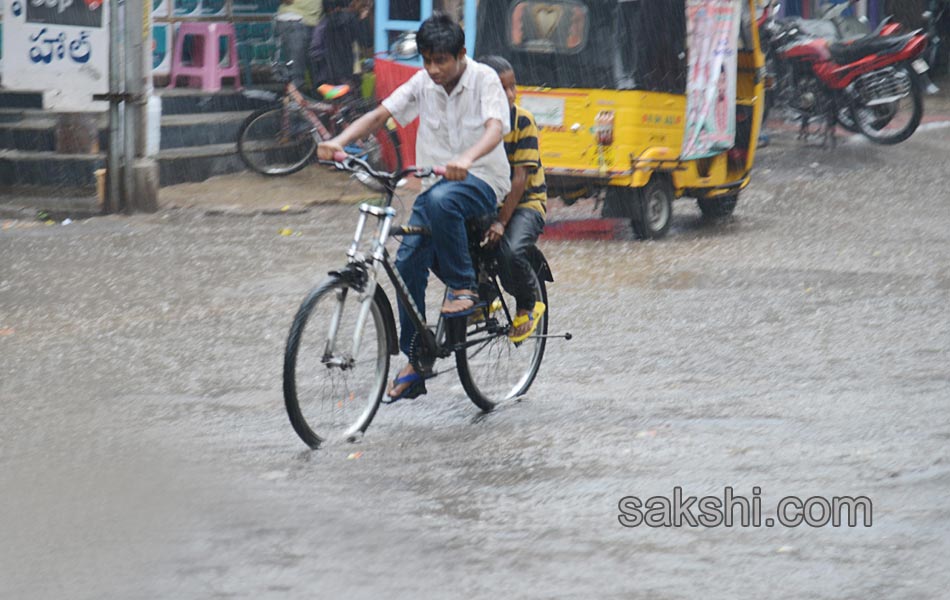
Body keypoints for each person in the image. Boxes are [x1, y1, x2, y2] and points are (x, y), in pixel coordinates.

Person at [316, 13, 511, 401]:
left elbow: (495, 128)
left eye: (442, 60)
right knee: (405, 262)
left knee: (440, 199)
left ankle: (462, 287)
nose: (433, 69)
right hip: (438, 186)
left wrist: (468, 159)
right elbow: (380, 115)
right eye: (427, 60)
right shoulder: (423, 82)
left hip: (482, 180)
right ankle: (417, 360)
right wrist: (339, 141)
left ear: (461, 55)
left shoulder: (484, 79)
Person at [479, 56, 547, 343]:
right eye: (502, 88)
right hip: (489, 199)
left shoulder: (522, 120)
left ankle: (528, 303)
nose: (510, 94)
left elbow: (520, 180)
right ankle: (483, 294)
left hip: (526, 203)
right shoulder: (475, 121)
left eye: (513, 86)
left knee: (511, 251)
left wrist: (500, 223)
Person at [309, 0, 373, 89]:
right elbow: (366, 42)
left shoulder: (325, 23)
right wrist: (363, 19)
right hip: (345, 74)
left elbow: (315, 51)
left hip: (326, 75)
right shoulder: (352, 20)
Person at [276, 0, 322, 90]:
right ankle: (295, 100)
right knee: (297, 70)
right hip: (295, 19)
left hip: (314, 21)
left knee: (316, 69)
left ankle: (312, 99)